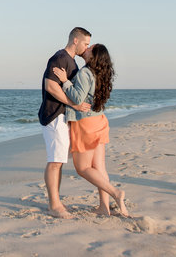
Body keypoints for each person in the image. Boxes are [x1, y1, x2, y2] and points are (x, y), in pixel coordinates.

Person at [51, 43, 129, 217]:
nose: (85, 49)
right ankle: (104, 207)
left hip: (85, 124)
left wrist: (64, 81)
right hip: (99, 120)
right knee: (99, 167)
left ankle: (116, 193)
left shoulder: (86, 72)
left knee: (83, 168)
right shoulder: (101, 73)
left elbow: (77, 98)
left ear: (93, 56)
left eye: (89, 48)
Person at [37, 27, 92, 219]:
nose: (87, 47)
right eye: (85, 43)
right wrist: (74, 105)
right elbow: (50, 86)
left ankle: (56, 201)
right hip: (54, 115)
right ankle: (54, 205)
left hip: (63, 116)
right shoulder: (60, 58)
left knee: (59, 160)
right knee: (55, 161)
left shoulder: (72, 61)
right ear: (75, 40)